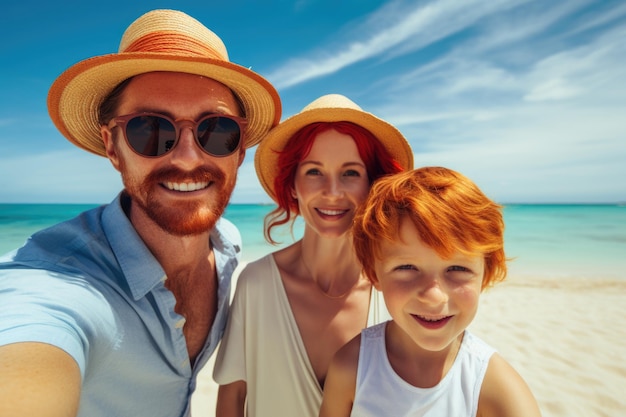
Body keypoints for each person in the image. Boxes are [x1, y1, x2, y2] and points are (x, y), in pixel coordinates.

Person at [0, 9, 280, 417]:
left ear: (239, 151)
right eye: (150, 129)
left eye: (216, 131)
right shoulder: (56, 285)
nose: (186, 158)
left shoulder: (228, 245)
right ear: (112, 146)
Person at [213, 93, 414, 417]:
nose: (332, 191)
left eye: (350, 173)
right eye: (314, 172)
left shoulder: (393, 290)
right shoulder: (257, 284)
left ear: (373, 184)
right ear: (292, 185)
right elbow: (232, 401)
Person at [319, 167, 543, 417]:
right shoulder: (351, 367)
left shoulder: (496, 389)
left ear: (486, 274)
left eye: (457, 268)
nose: (434, 297)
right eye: (406, 267)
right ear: (374, 273)